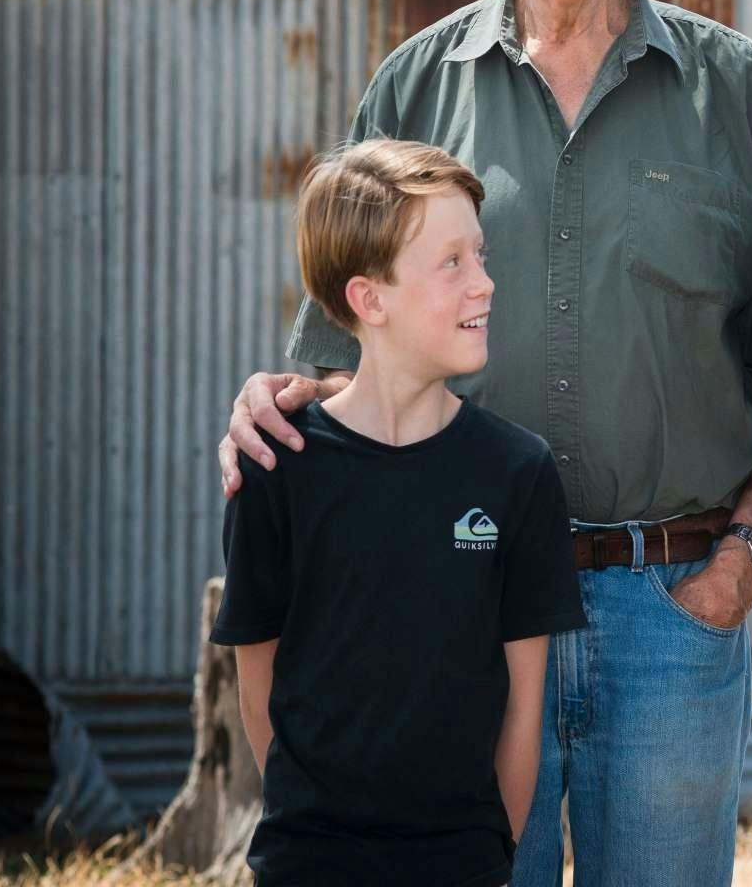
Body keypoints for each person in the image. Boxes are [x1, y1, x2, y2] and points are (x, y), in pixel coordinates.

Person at [217, 0, 752, 887]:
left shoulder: (735, 93)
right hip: (459, 605)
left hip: (671, 607)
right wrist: (269, 401)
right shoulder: (413, 89)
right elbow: (346, 348)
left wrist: (745, 555)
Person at [213, 139, 585, 885]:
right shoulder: (277, 468)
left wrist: (489, 854)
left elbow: (523, 711)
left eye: (480, 256)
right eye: (452, 263)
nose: (483, 284)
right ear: (368, 298)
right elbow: (261, 691)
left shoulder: (517, 474)